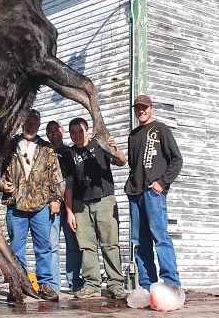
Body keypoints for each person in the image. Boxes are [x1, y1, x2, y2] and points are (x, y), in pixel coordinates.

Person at [0, 109, 65, 302]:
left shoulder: (47, 149)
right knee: (16, 249)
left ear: (38, 125)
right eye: (27, 122)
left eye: (34, 123)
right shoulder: (8, 147)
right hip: (15, 206)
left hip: (40, 206)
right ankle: (18, 286)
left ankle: (45, 286)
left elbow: (57, 178)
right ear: (21, 124)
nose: (30, 126)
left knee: (43, 247)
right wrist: (1, 184)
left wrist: (55, 199)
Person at [64, 117, 126, 299]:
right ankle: (92, 284)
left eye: (80, 131)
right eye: (73, 132)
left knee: (110, 244)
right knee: (86, 246)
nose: (77, 135)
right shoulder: (69, 154)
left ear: (87, 131)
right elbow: (68, 185)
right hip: (80, 204)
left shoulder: (100, 145)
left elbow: (121, 161)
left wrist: (115, 148)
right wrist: (69, 211)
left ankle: (115, 284)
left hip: (104, 200)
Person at [125, 95, 182, 291]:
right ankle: (147, 286)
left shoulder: (160, 129)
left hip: (153, 192)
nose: (141, 111)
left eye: (144, 108)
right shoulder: (133, 135)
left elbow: (176, 160)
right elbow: (133, 165)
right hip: (135, 193)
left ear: (151, 109)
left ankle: (171, 283)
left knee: (160, 237)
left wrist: (162, 182)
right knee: (140, 242)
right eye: (138, 108)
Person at [46, 120, 83, 293]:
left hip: (68, 205)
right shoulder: (44, 152)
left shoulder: (69, 152)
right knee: (51, 246)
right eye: (50, 130)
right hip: (50, 206)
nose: (53, 133)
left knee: (73, 244)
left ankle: (74, 282)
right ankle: (54, 285)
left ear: (62, 131)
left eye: (56, 129)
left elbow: (72, 180)